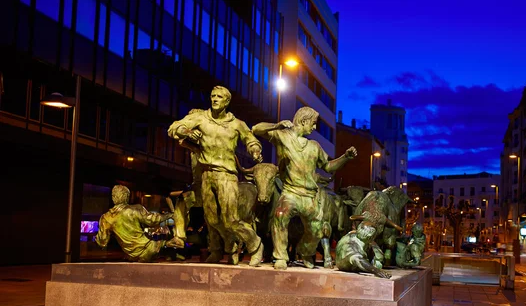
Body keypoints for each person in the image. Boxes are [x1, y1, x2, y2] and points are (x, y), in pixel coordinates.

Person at [167, 86, 264, 266]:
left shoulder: (237, 124)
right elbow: (174, 128)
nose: (215, 99)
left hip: (226, 175)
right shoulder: (200, 118)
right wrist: (186, 131)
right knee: (211, 220)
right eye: (212, 96)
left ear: (227, 101)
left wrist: (255, 149)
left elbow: (251, 139)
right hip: (206, 175)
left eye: (219, 97)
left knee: (231, 219)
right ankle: (227, 246)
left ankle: (255, 245)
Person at [252, 107, 357, 270]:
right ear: (303, 121)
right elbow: (256, 129)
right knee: (280, 215)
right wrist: (276, 125)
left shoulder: (314, 146)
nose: (314, 128)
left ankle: (305, 251)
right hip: (290, 193)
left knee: (317, 229)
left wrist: (345, 158)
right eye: (313, 124)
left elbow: (328, 167)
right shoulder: (283, 137)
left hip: (309, 196)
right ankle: (280, 257)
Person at [95, 185, 190, 262]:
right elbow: (152, 220)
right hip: (148, 248)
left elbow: (102, 242)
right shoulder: (134, 209)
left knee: (165, 246)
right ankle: (171, 245)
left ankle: (171, 247)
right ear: (126, 197)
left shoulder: (106, 218)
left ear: (113, 197)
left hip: (130, 255)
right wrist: (170, 215)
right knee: (165, 244)